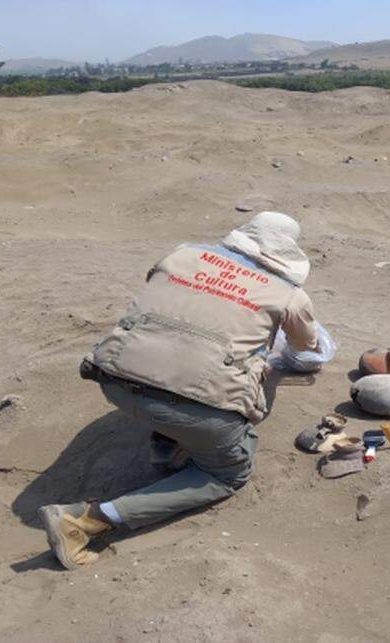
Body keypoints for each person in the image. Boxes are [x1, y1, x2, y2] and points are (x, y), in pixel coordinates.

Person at [38, 211, 321, 569]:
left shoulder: (182, 254)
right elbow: (308, 345)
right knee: (226, 473)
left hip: (115, 378)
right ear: (287, 255)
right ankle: (87, 520)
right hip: (195, 404)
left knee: (174, 364)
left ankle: (168, 444)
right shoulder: (288, 295)